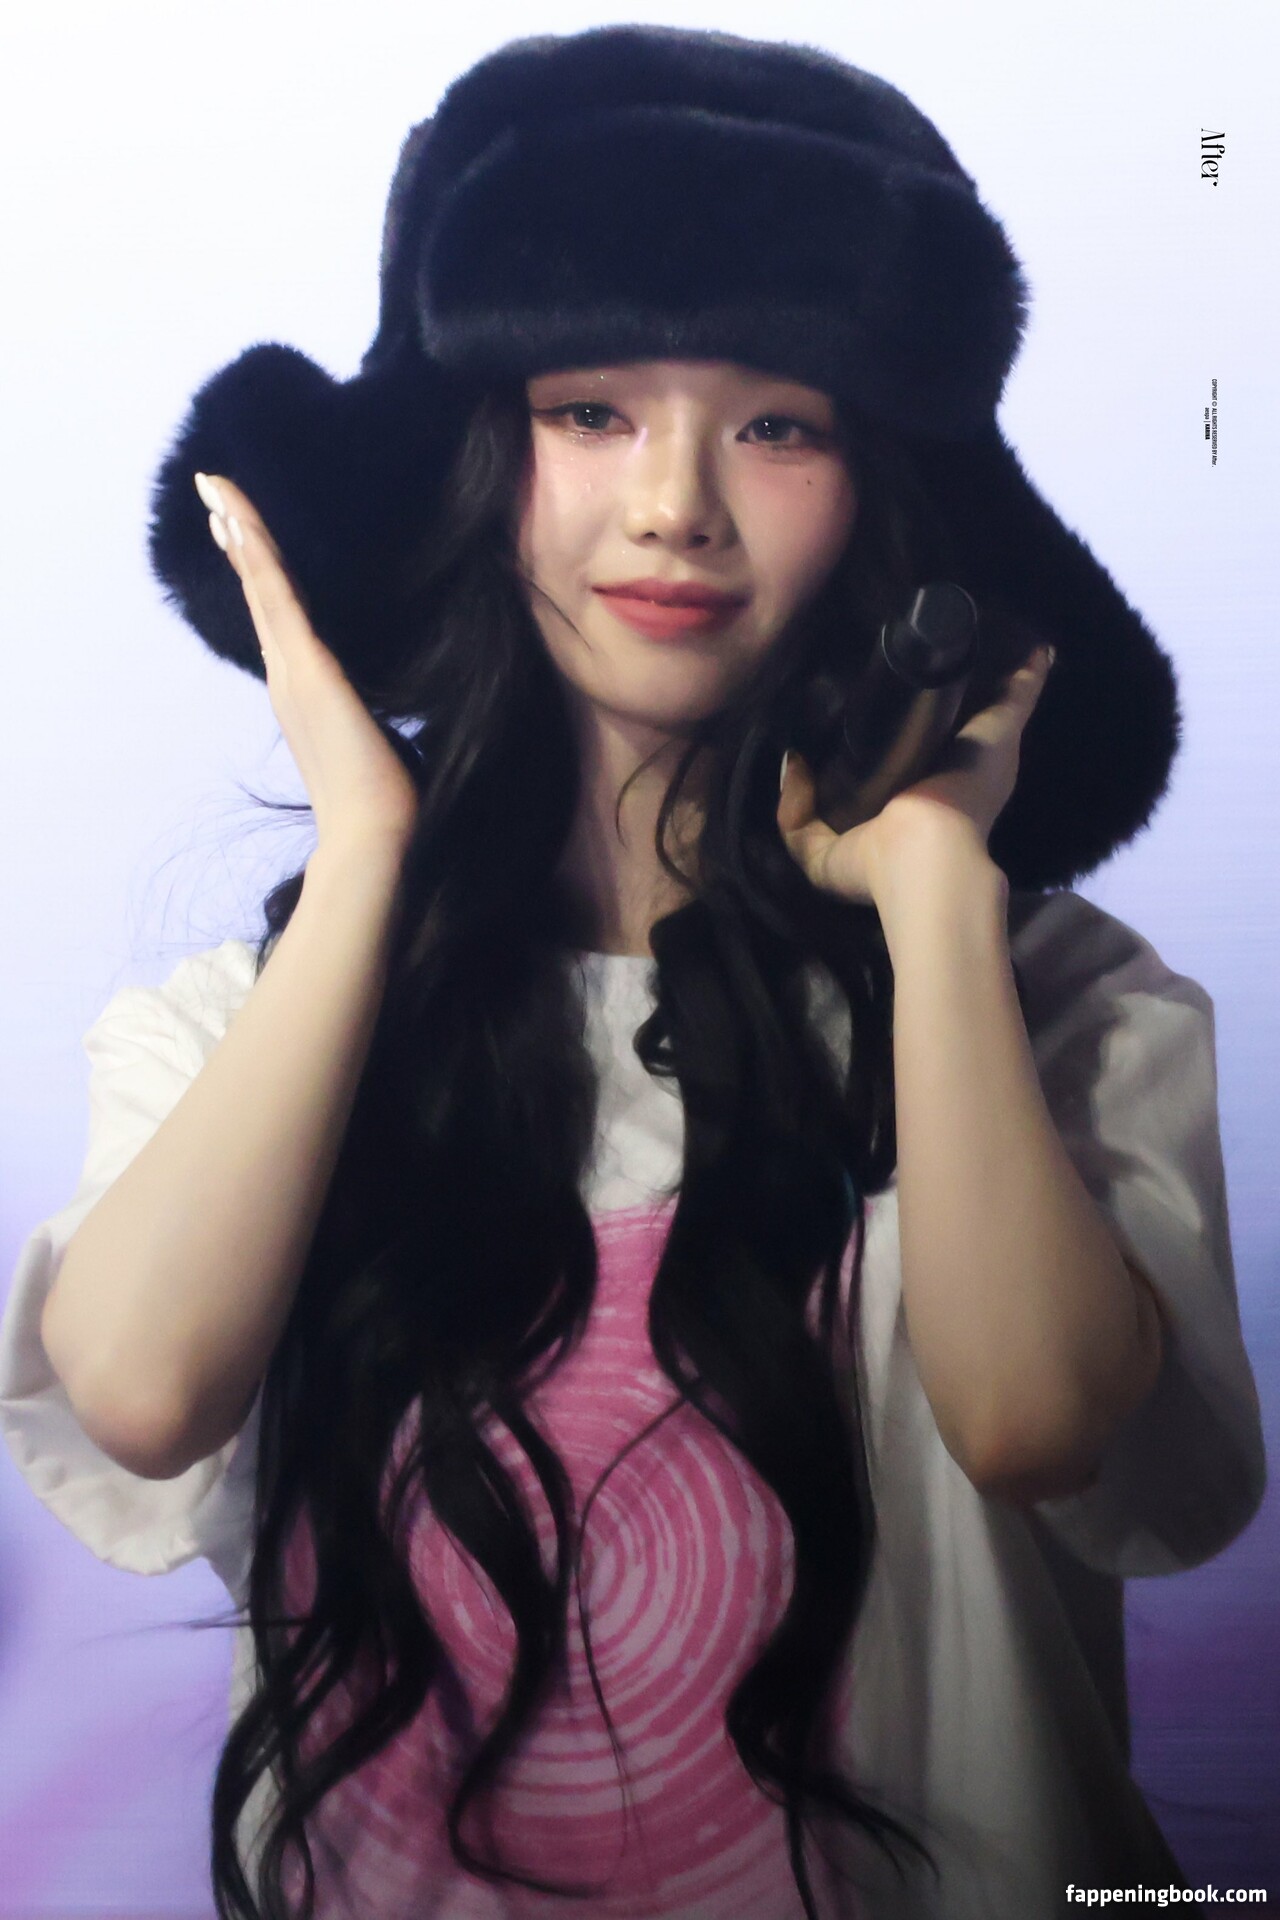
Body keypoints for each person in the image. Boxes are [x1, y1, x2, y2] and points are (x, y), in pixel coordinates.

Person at [0, 23, 1266, 1920]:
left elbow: (1034, 1417)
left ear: (880, 489)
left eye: (778, 425)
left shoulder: (1063, 1011)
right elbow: (142, 1390)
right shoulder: (241, 1029)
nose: (676, 504)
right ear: (479, 451)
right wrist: (367, 859)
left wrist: (937, 889)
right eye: (591, 410)